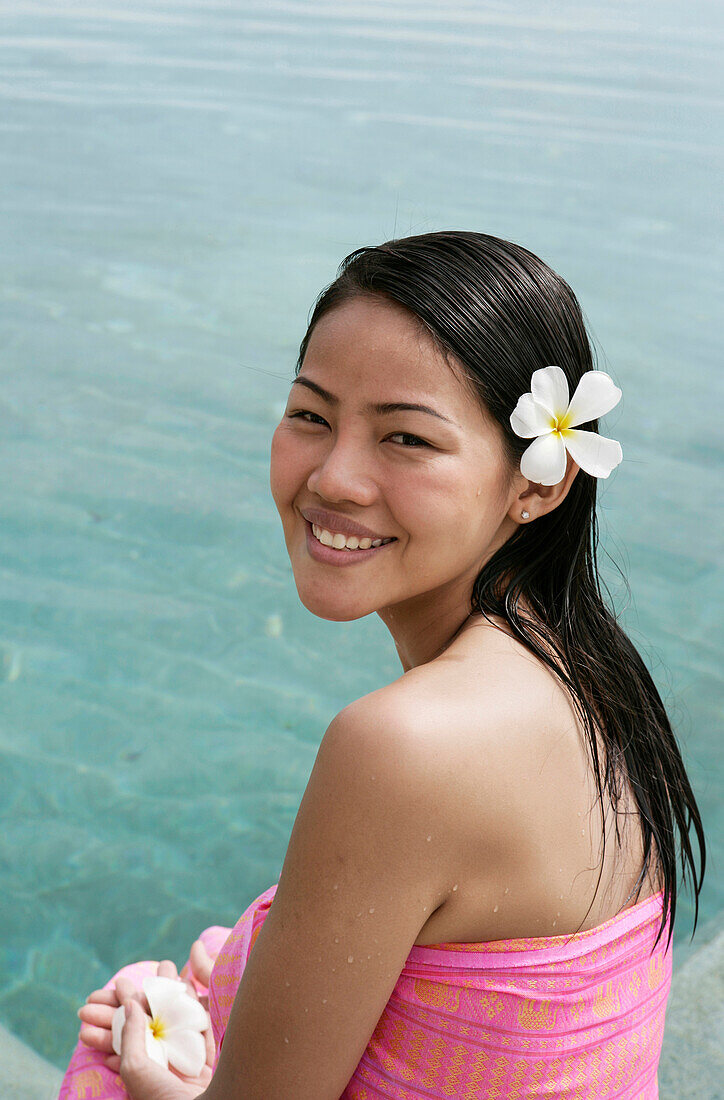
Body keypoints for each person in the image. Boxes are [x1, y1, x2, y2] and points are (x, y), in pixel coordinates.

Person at [60, 231, 706, 1100]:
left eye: (405, 438)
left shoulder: (403, 745)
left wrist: (148, 1075)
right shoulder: (590, 673)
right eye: (311, 415)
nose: (334, 478)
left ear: (538, 485)